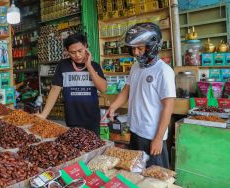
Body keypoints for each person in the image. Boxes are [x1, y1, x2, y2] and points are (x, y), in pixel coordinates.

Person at [106, 22, 176, 168]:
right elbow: (127, 89)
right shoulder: (136, 67)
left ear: (152, 47)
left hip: (152, 135)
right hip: (135, 130)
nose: (136, 53)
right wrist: (113, 106)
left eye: (140, 48)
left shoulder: (164, 71)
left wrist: (158, 138)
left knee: (156, 176)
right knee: (137, 172)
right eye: (133, 49)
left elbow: (168, 107)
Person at [38, 33, 107, 135]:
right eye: (73, 52)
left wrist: (89, 66)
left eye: (80, 51)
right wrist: (43, 115)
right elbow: (55, 90)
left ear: (86, 47)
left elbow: (103, 88)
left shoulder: (95, 66)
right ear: (67, 51)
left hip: (92, 119)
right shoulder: (63, 65)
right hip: (72, 119)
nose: (77, 55)